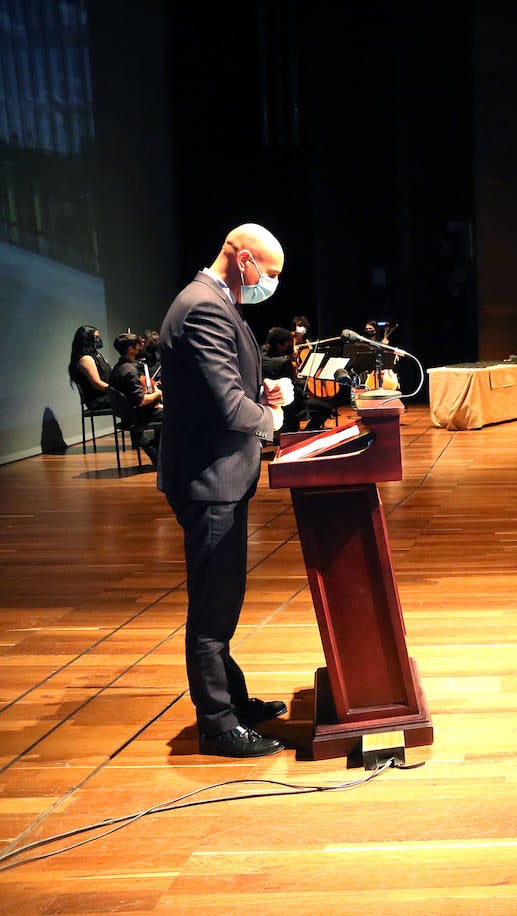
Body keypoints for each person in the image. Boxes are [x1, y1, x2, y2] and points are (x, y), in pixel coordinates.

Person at [158, 223, 293, 759]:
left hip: (219, 474)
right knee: (213, 609)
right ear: (243, 262)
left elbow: (229, 388)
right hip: (208, 479)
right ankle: (217, 723)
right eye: (270, 272)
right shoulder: (204, 306)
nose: (270, 283)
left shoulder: (217, 300)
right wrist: (272, 418)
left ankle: (231, 701)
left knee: (224, 600)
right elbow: (227, 409)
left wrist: (265, 391)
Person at [108, 331, 163, 462]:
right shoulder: (130, 371)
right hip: (138, 414)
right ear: (130, 349)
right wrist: (157, 393)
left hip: (127, 414)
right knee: (177, 413)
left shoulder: (118, 367)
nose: (141, 346)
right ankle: (156, 449)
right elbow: (140, 401)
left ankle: (158, 450)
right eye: (138, 344)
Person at [68, 324, 111, 410]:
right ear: (87, 339)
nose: (98, 340)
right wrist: (116, 392)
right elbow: (97, 383)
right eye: (96, 337)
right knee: (134, 398)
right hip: (99, 399)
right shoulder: (86, 359)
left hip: (106, 395)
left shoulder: (97, 355)